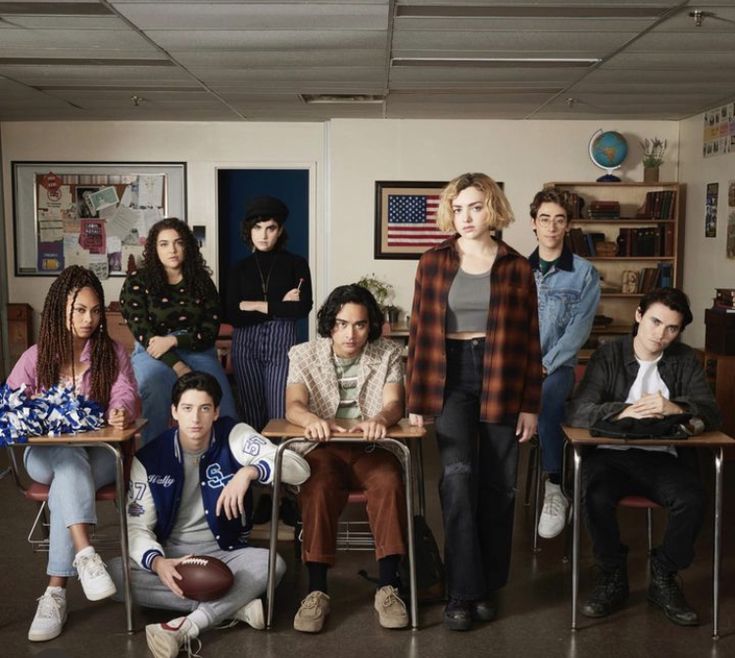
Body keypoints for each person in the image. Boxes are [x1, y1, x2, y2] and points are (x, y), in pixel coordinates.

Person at [406, 172, 543, 631]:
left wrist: (530, 403)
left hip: (502, 370)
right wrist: (418, 396)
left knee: (499, 486)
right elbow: (420, 332)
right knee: (458, 478)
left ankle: (487, 586)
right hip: (451, 376)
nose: (466, 217)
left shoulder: (517, 267)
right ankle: (462, 592)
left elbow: (530, 340)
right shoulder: (432, 262)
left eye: (476, 207)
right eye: (458, 208)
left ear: (493, 210)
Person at [110, 371, 310, 658]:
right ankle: (236, 607)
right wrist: (158, 564)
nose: (195, 419)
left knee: (271, 564)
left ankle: (188, 626)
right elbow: (137, 526)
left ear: (216, 412)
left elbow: (299, 468)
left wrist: (249, 471)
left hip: (225, 552)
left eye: (204, 409)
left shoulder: (235, 435)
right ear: (174, 412)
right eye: (187, 409)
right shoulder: (151, 458)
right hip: (173, 554)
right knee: (113, 574)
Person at [566, 287, 721, 626]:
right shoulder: (607, 356)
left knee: (692, 498)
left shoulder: (684, 359)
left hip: (662, 456)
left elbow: (712, 412)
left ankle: (664, 574)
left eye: (672, 328)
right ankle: (612, 574)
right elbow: (578, 412)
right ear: (638, 316)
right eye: (654, 321)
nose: (660, 334)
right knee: (595, 496)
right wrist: (625, 411)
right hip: (610, 454)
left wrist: (675, 408)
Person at [6, 265, 140, 643]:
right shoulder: (36, 356)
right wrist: (28, 413)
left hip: (99, 456)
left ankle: (56, 592)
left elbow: (125, 393)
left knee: (72, 468)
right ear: (59, 310)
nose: (89, 319)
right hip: (43, 459)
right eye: (79, 310)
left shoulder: (111, 353)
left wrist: (120, 411)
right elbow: (11, 402)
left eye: (95, 311)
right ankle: (85, 555)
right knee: (65, 460)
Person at [285, 284, 409, 633]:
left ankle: (388, 587)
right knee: (317, 486)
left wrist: (380, 420)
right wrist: (312, 421)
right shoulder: (304, 354)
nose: (351, 334)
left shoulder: (386, 353)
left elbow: (394, 403)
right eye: (342, 324)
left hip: (371, 448)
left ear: (371, 326)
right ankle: (317, 590)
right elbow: (293, 405)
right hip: (324, 448)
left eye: (360, 325)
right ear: (330, 324)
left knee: (389, 482)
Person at [119, 217, 237, 444]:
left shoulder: (201, 280)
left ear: (187, 246)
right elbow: (144, 333)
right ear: (154, 248)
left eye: (178, 243)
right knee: (154, 385)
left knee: (219, 395)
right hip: (152, 351)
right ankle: (153, 461)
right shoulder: (137, 281)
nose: (171, 250)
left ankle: (228, 458)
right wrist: (178, 365)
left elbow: (210, 329)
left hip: (198, 349)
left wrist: (174, 340)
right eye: (163, 244)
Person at [528, 189, 600, 539]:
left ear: (568, 225)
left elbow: (579, 330)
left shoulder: (585, 274)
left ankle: (554, 487)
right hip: (518, 367)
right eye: (545, 219)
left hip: (558, 368)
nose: (552, 227)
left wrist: (546, 364)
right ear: (534, 224)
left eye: (559, 220)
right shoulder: (514, 269)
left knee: (548, 398)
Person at [226, 195, 313, 430]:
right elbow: (232, 314)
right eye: (257, 227)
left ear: (280, 229)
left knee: (280, 412)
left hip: (281, 344)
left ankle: (281, 463)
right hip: (245, 346)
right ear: (249, 230)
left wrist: (253, 305)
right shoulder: (239, 269)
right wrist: (279, 305)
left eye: (270, 228)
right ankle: (255, 463)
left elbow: (302, 308)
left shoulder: (296, 263)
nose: (264, 235)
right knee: (251, 413)